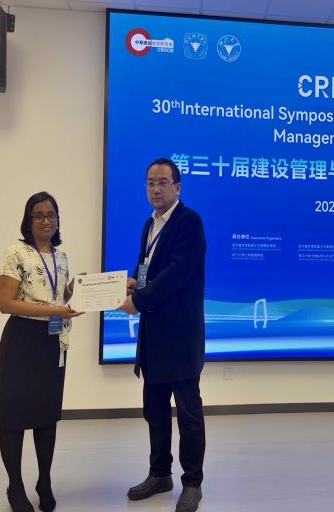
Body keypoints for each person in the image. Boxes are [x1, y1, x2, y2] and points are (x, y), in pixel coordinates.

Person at [117, 157, 206, 512]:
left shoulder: (189, 222)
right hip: (154, 336)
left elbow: (177, 273)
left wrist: (139, 299)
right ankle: (159, 474)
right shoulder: (149, 225)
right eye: (150, 182)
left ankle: (192, 482)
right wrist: (135, 282)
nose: (155, 188)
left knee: (188, 415)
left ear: (177, 187)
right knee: (154, 410)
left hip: (180, 337)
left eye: (162, 182)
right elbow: (150, 269)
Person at [0, 192, 83, 512]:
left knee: (46, 416)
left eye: (51, 214)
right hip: (22, 339)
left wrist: (77, 289)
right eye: (38, 215)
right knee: (13, 417)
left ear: (58, 220)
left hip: (53, 341)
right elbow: (5, 303)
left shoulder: (61, 257)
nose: (46, 220)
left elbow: (58, 295)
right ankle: (15, 486)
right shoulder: (15, 252)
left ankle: (44, 482)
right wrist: (54, 309)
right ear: (28, 220)